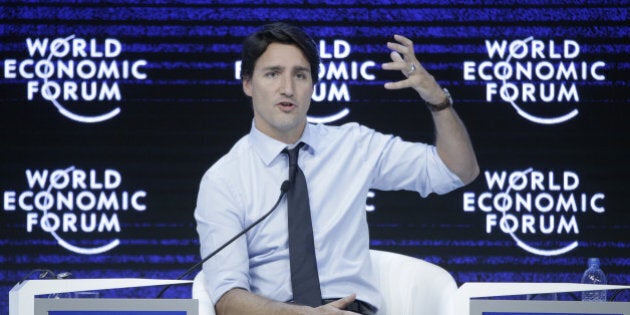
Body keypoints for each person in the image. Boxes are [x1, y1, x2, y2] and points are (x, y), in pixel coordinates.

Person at [194, 22, 479, 315]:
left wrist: (437, 100)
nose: (288, 88)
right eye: (272, 74)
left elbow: (458, 171)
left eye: (300, 75)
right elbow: (228, 299)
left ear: (313, 86)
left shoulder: (353, 145)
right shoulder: (224, 180)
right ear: (248, 84)